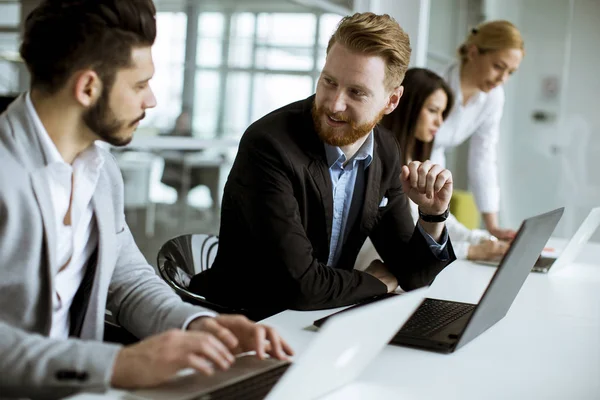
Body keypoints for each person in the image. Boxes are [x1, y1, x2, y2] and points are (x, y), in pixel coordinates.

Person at [0, 1, 292, 398]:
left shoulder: (101, 171)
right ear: (88, 87)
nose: (151, 100)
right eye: (140, 85)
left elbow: (129, 282)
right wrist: (118, 365)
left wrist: (199, 325)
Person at [187, 12, 457, 318]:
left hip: (323, 318)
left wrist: (434, 215)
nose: (334, 103)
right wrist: (376, 282)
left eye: (356, 92)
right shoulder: (269, 145)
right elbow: (299, 285)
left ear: (391, 101)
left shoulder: (385, 151)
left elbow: (412, 275)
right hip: (250, 322)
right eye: (329, 82)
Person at [355, 68, 509, 269]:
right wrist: (472, 251)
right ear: (408, 106)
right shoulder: (381, 162)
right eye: (433, 110)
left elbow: (440, 220)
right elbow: (408, 234)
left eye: (443, 113)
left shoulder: (416, 158)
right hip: (377, 265)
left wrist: (484, 240)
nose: (440, 121)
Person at [431, 20, 524, 241]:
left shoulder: (493, 96)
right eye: (498, 66)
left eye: (511, 72)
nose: (503, 79)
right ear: (473, 53)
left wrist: (492, 226)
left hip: (434, 165)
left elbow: (483, 157)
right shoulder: (435, 84)